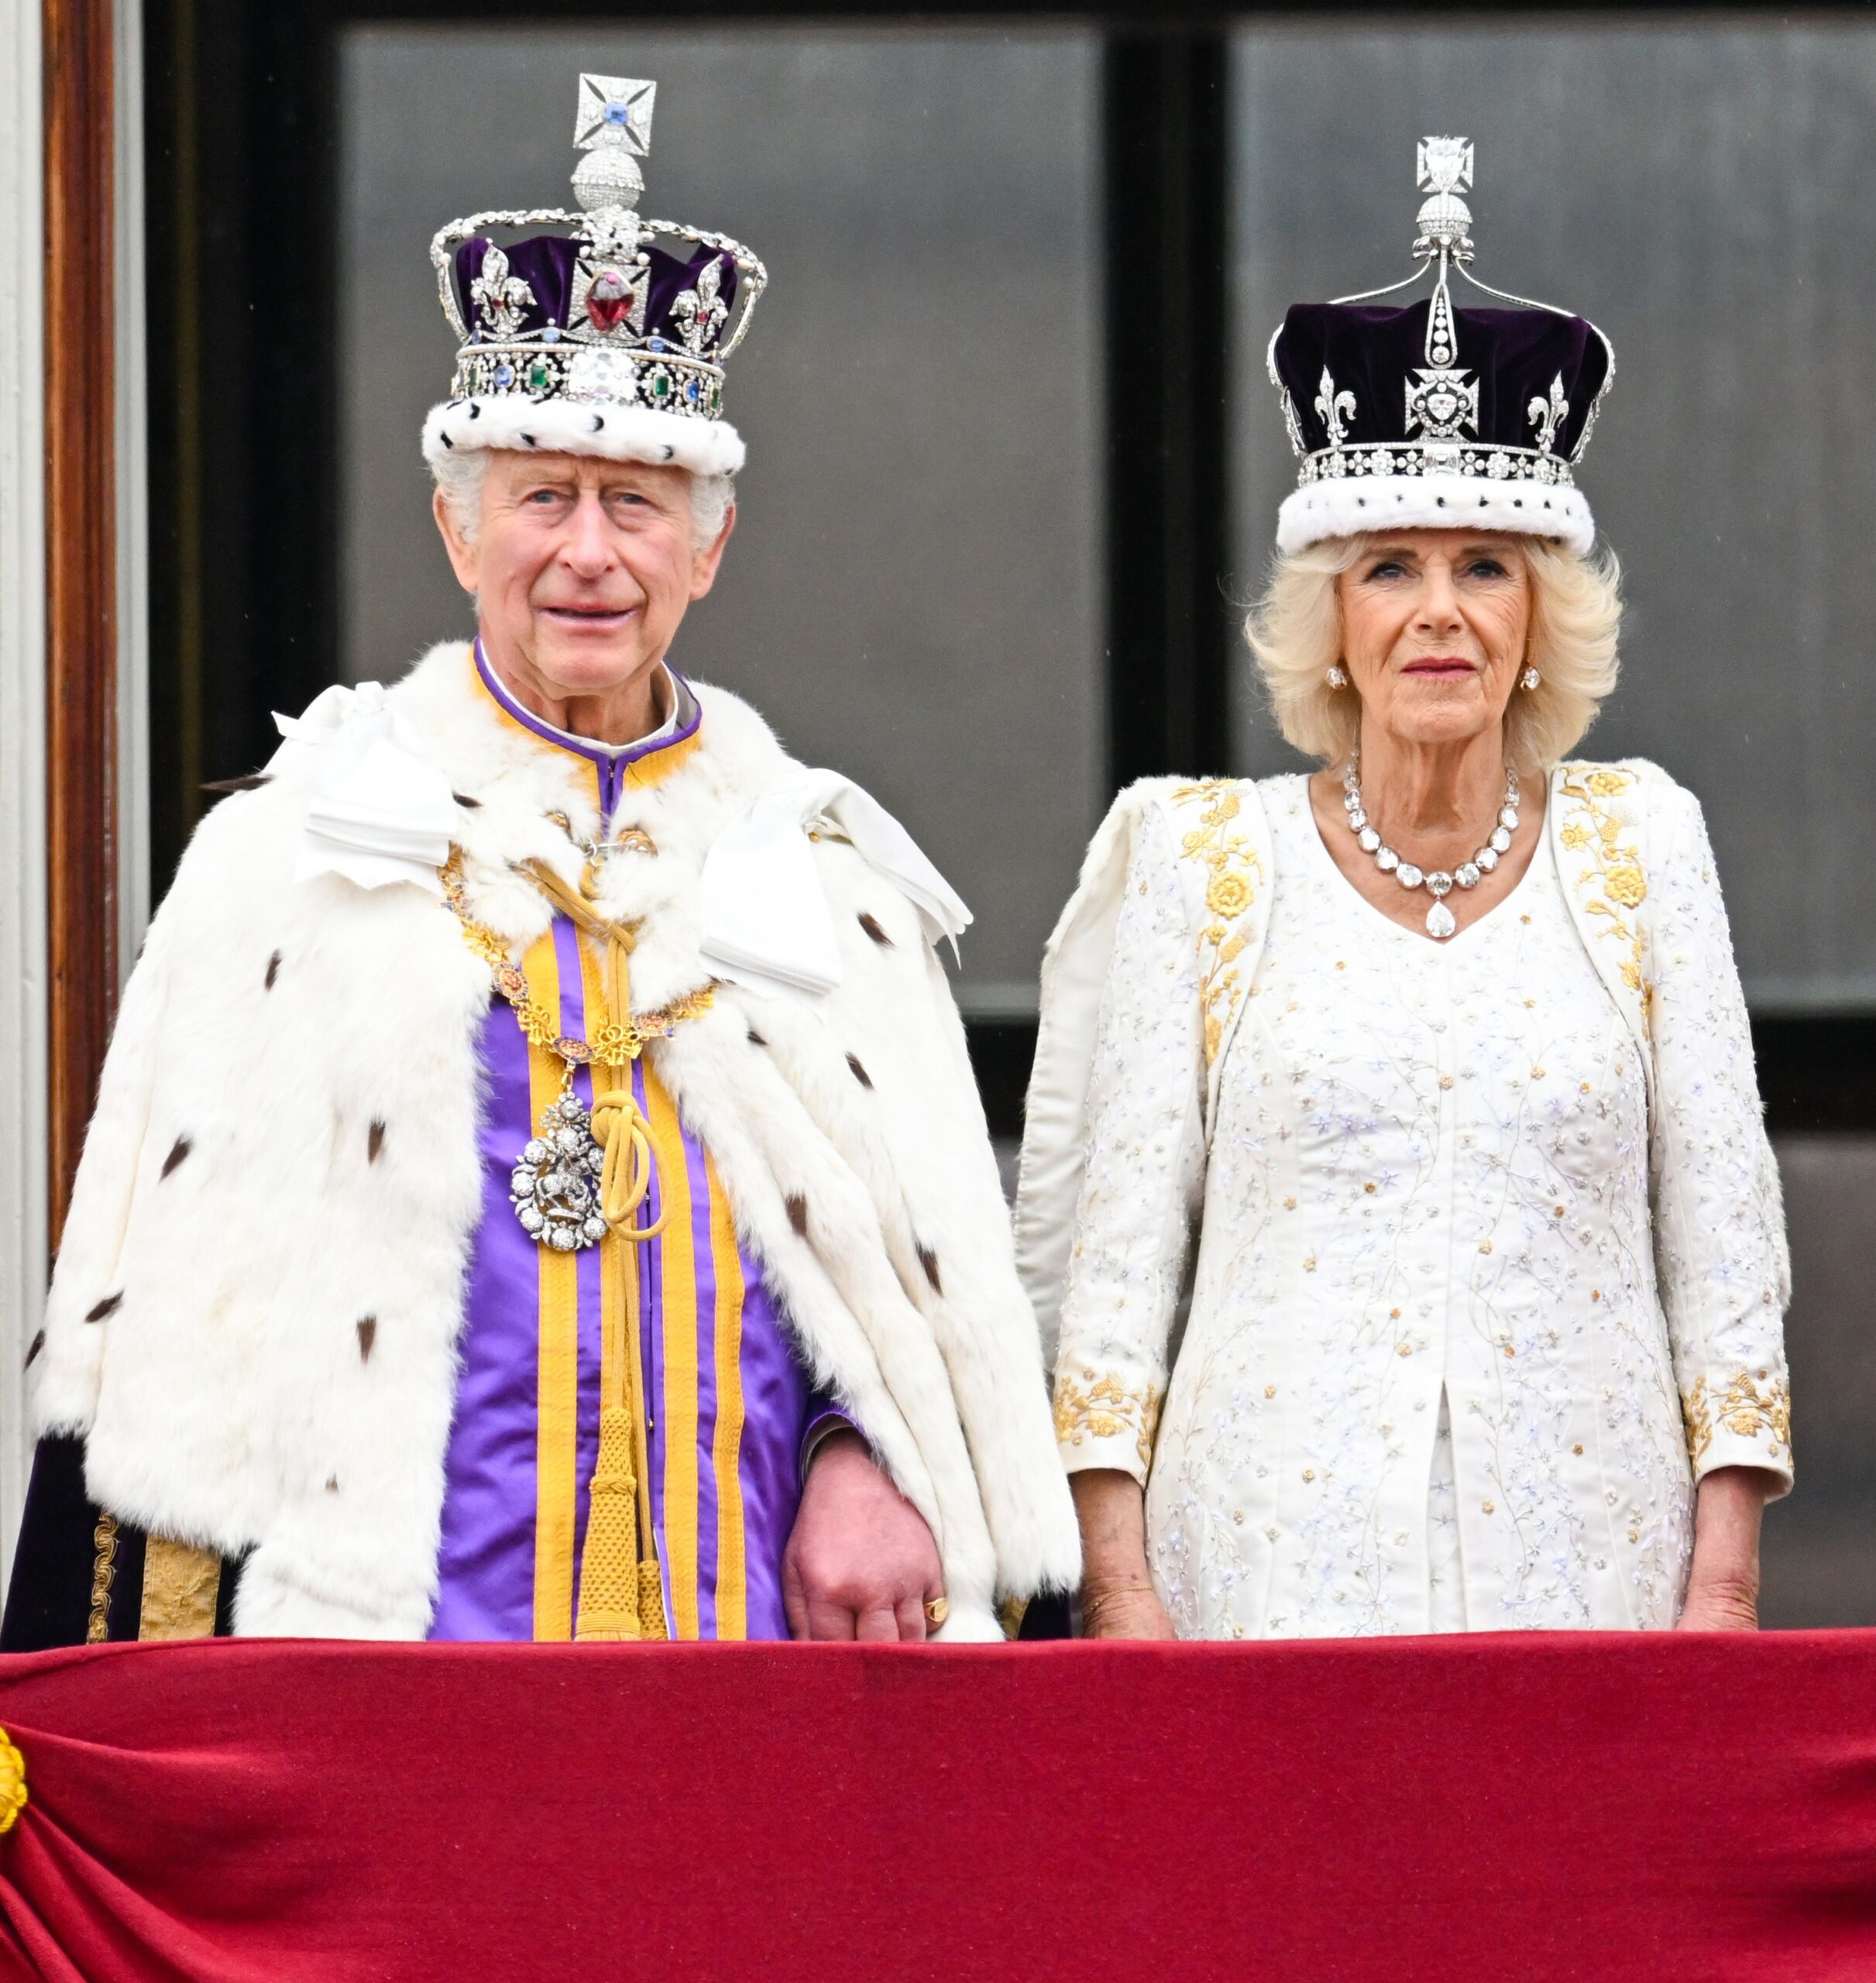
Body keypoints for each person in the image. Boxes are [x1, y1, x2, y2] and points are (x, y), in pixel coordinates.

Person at [5, 72, 1077, 1648]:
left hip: (756, 1653)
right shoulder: (285, 857)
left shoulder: (830, 876)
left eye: (635, 504)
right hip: (393, 1656)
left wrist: (870, 1452)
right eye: (543, 498)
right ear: (458, 531)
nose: (588, 549)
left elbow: (906, 1297)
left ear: (705, 548)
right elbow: (166, 1331)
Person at [1015, 136, 1790, 1641]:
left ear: (1536, 616)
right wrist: (1121, 1597)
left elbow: (1724, 1236)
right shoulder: (1199, 859)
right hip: (1259, 1584)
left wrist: (1719, 1588)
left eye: (1483, 568)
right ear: (1326, 618)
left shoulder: (1641, 845)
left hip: (1594, 1586)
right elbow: (1112, 1267)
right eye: (1388, 568)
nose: (1437, 609)